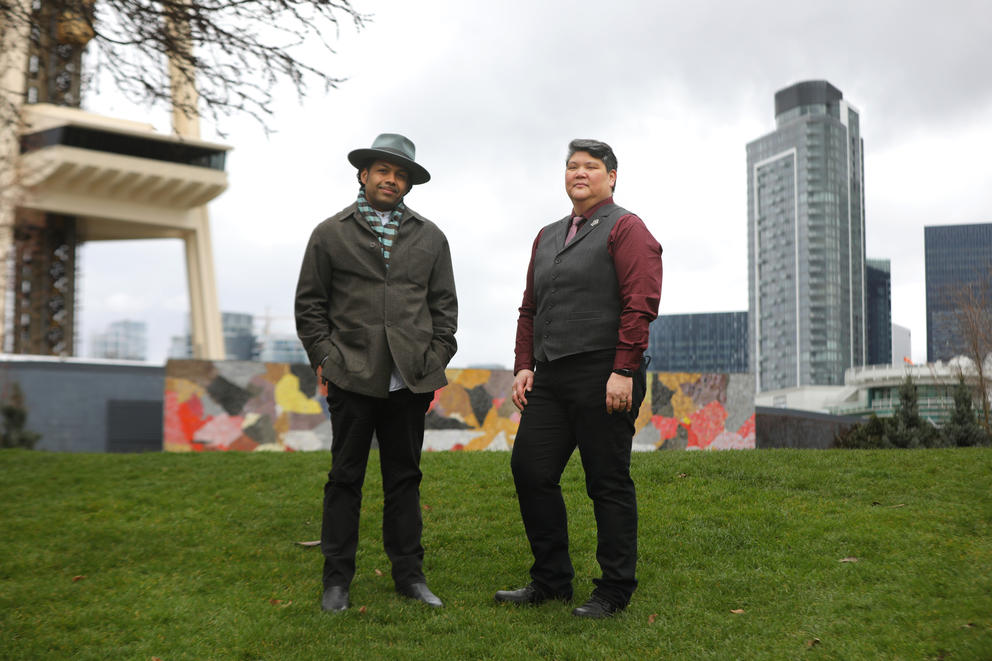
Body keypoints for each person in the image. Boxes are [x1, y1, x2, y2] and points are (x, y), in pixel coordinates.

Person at [496, 139, 662, 619]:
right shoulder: (546, 236)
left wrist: (624, 369)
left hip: (605, 373)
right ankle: (550, 581)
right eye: (572, 166)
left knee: (606, 482)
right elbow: (530, 307)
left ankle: (614, 590)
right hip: (550, 375)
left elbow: (640, 303)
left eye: (591, 166)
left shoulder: (627, 228)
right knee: (530, 470)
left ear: (612, 177)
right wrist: (524, 364)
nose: (580, 173)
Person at [295, 133, 457, 612]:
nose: (391, 179)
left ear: (408, 184)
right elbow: (310, 306)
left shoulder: (430, 237)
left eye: (401, 173)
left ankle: (410, 577)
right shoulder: (330, 233)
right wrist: (327, 359)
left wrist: (436, 356)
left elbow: (444, 308)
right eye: (383, 170)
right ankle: (336, 581)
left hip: (410, 380)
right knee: (345, 479)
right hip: (352, 377)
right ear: (363, 175)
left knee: (404, 481)